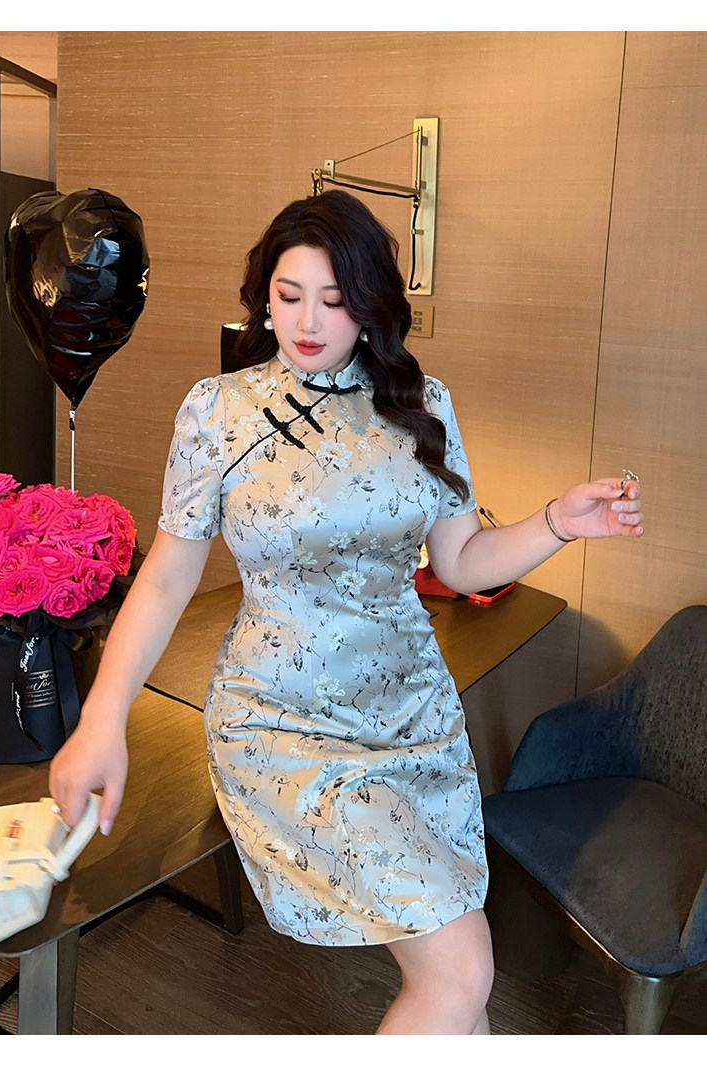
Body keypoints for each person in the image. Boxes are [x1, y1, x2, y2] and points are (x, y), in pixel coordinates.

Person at [49, 189, 644, 1035]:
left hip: (413, 719)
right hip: (284, 722)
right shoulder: (219, 412)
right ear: (263, 296)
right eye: (288, 295)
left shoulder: (421, 403)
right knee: (462, 967)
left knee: (456, 980)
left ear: (370, 305)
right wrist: (102, 718)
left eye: (333, 300)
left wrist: (558, 522)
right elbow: (166, 579)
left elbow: (462, 561)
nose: (307, 322)